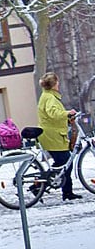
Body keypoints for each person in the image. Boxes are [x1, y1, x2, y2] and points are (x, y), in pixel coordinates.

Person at [37, 72, 82, 201]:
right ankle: (41, 185)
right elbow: (53, 113)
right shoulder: (50, 98)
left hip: (54, 135)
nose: (59, 84)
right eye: (57, 82)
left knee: (63, 163)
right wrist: (68, 113)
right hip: (53, 136)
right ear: (53, 84)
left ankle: (66, 191)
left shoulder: (48, 96)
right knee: (64, 162)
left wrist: (67, 118)